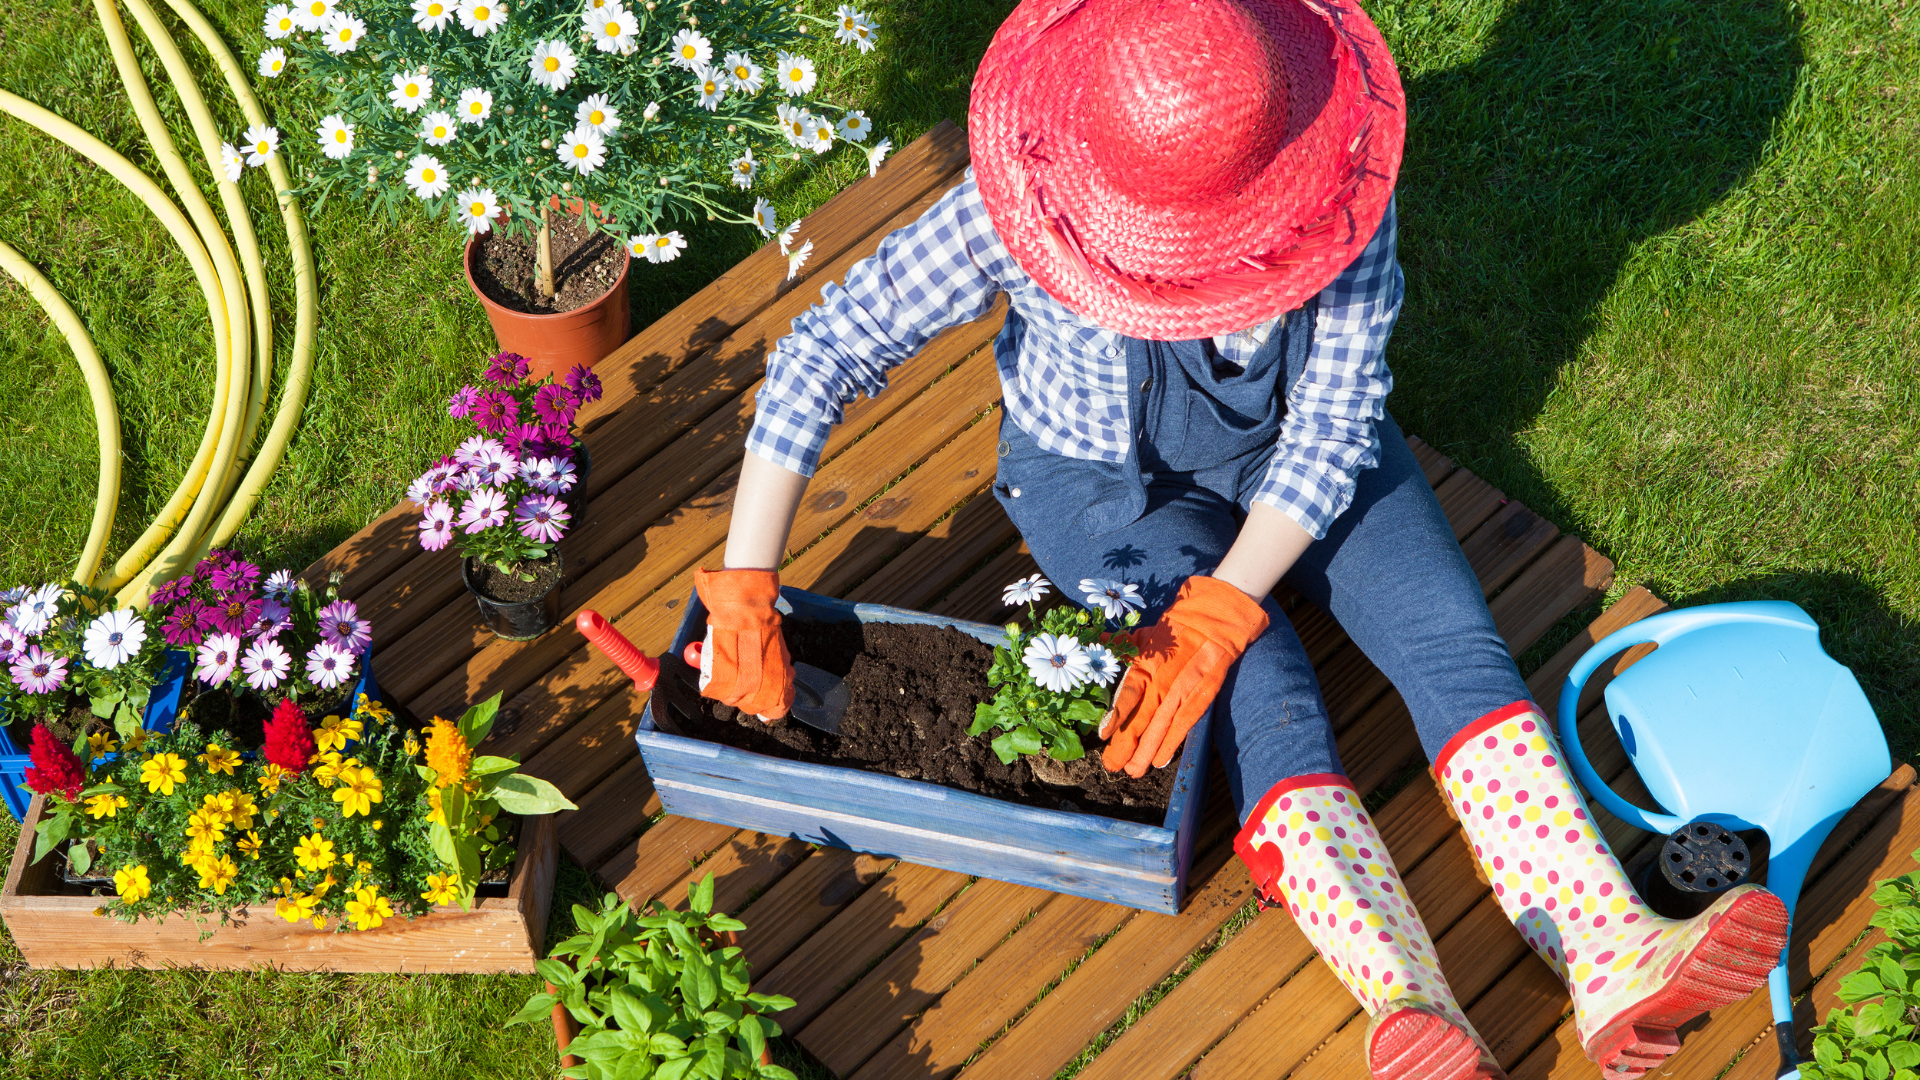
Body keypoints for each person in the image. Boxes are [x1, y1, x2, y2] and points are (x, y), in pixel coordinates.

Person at [692, 1, 1790, 1077]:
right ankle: (1407, 1001)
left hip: (1297, 458)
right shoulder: (1023, 204)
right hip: (1097, 492)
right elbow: (829, 347)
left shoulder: (1336, 193)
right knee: (1265, 683)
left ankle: (1607, 946)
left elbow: (1333, 425)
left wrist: (1224, 601)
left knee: (1450, 636)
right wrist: (748, 578)